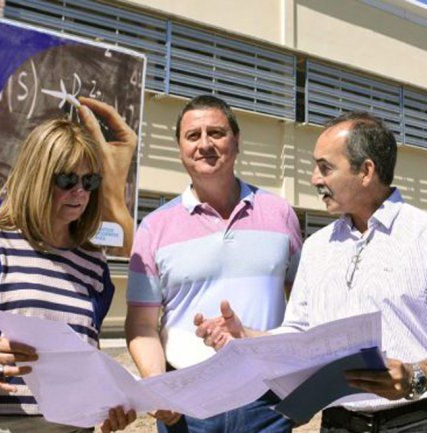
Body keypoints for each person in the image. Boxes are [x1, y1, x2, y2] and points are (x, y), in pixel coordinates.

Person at [195, 112, 427, 433]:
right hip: (338, 424)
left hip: (414, 422)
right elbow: (300, 333)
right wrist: (247, 337)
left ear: (366, 171)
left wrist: (415, 376)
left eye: (325, 167)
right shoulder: (318, 246)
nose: (314, 179)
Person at [0, 99, 137, 433]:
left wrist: (108, 403)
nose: (80, 192)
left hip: (70, 425)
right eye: (67, 179)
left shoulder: (93, 264)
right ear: (38, 177)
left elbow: (86, 356)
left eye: (90, 182)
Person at [125, 95, 303, 433]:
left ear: (236, 142)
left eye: (216, 133)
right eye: (193, 135)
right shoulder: (154, 228)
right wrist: (157, 384)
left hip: (267, 403)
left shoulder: (280, 214)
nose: (205, 144)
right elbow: (142, 325)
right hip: (187, 404)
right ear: (180, 148)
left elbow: (303, 305)